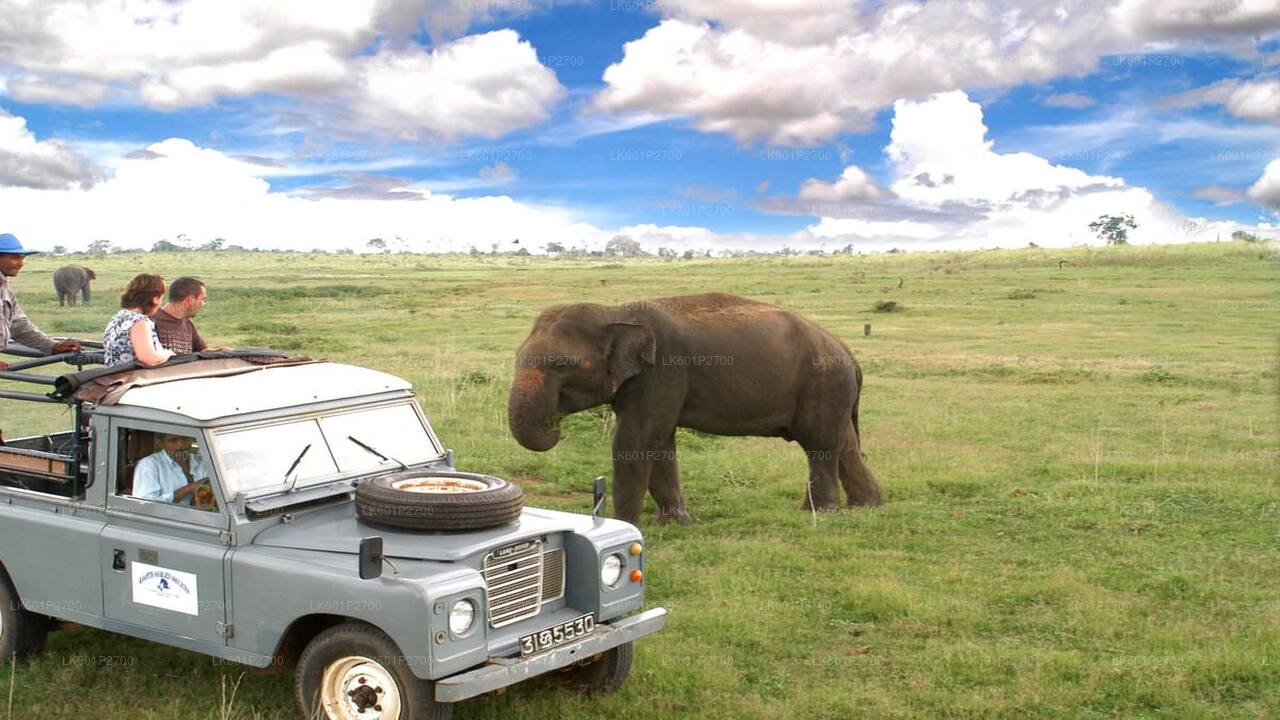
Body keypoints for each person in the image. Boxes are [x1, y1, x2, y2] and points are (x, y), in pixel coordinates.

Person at [0, 233, 81, 371]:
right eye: (14, 257)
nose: (20, 263)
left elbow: (19, 325)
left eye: (22, 258)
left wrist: (52, 346)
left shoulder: (5, 291)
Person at [102, 274, 174, 367]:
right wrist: (168, 353)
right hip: (134, 378)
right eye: (161, 298)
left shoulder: (119, 316)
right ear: (155, 299)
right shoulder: (139, 322)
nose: (161, 303)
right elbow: (149, 358)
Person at [132, 433, 212, 507]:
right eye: (173, 440)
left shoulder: (203, 462)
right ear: (160, 443)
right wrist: (189, 488)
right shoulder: (148, 465)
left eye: (185, 438)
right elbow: (144, 505)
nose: (181, 444)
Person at [153, 276, 225, 354]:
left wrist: (223, 352)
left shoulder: (188, 325)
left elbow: (203, 351)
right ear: (190, 299)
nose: (202, 304)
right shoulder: (150, 321)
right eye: (202, 299)